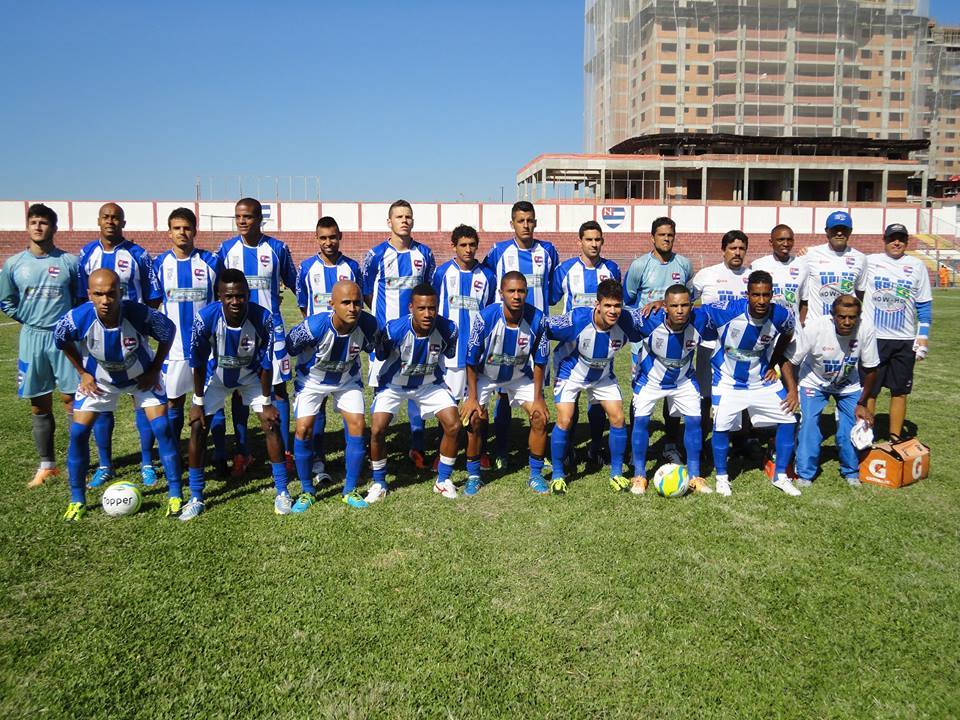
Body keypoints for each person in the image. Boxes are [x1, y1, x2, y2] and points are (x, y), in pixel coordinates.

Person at [54, 269, 181, 521]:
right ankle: (77, 500)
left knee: (163, 428)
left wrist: (155, 369)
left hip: (141, 378)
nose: (105, 300)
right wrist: (82, 372)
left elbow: (169, 331)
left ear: (120, 293)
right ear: (89, 295)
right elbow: (60, 339)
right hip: (99, 381)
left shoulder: (138, 313)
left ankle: (175, 494)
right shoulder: (77, 318)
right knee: (78, 432)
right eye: (98, 294)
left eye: (111, 294)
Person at [183, 270, 287, 519]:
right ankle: (196, 496)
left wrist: (267, 401)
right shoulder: (205, 318)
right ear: (219, 296)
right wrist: (197, 402)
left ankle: (282, 492)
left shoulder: (263, 318)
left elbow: (265, 361)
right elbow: (197, 363)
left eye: (240, 296)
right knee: (198, 425)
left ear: (248, 296)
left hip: (250, 376)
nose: (235, 302)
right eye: (229, 296)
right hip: (217, 377)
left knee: (271, 423)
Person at [76, 202, 162, 488]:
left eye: (116, 218)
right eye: (106, 217)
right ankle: (104, 464)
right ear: (99, 221)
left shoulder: (138, 255)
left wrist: (137, 325)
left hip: (133, 341)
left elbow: (152, 296)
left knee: (143, 400)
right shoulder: (86, 254)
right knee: (101, 402)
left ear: (123, 223)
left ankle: (147, 463)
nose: (111, 221)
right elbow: (80, 297)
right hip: (97, 340)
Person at [215, 198, 297, 477]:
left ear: (260, 218)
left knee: (278, 389)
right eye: (238, 216)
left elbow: (296, 284)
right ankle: (243, 452)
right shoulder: (226, 250)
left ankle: (285, 452)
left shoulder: (276, 249)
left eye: (248, 216)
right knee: (239, 389)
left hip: (271, 330)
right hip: (236, 332)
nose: (242, 221)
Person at [699, 270, 800, 497]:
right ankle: (722, 478)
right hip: (727, 380)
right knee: (722, 425)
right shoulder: (726, 311)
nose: (761, 300)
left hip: (761, 381)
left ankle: (781, 476)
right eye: (756, 295)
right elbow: (692, 312)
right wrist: (663, 303)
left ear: (772, 294)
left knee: (788, 419)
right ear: (748, 294)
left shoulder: (781, 315)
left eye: (766, 295)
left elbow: (787, 335)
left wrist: (773, 364)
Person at [0, 204, 79, 488]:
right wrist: (27, 318)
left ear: (54, 228)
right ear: (27, 226)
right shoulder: (14, 264)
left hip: (64, 339)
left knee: (72, 399)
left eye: (44, 222)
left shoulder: (70, 262)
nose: (38, 227)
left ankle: (76, 459)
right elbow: (6, 300)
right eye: (33, 222)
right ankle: (47, 465)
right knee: (39, 402)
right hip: (32, 338)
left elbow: (78, 299)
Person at [285, 280, 378, 511]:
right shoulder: (314, 326)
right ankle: (307, 490)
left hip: (347, 380)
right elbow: (290, 345)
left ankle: (349, 490)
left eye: (357, 303)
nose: (353, 308)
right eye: (346, 302)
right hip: (312, 382)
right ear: (332, 304)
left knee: (357, 424)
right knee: (303, 429)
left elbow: (375, 346)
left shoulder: (368, 324)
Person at [482, 201, 560, 468]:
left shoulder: (548, 250)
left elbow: (552, 288)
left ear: (535, 222)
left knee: (537, 390)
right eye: (520, 220)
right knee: (503, 390)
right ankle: (501, 450)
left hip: (536, 330)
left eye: (530, 220)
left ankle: (538, 451)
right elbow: (489, 280)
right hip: (508, 332)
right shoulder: (499, 251)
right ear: (512, 223)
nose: (526, 225)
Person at [367, 283, 460, 502]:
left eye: (432, 308)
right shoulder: (393, 329)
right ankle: (379, 482)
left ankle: (443, 480)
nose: (428, 313)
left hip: (429, 384)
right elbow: (381, 356)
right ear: (411, 308)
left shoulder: (449, 329)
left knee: (454, 424)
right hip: (393, 385)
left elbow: (447, 354)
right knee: (378, 429)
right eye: (421, 308)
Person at [459, 272, 550, 495]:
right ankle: (473, 475)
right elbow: (470, 360)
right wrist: (471, 398)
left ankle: (536, 475)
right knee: (474, 419)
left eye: (521, 291)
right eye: (511, 291)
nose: (517, 296)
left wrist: (538, 398)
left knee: (540, 417)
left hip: (519, 376)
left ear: (527, 293)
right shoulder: (485, 318)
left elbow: (540, 361)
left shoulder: (538, 320)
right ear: (501, 293)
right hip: (486, 375)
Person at [361, 200, 436, 467]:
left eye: (408, 216)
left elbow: (428, 290)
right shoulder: (376, 254)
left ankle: (417, 446)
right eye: (399, 216)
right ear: (389, 222)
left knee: (417, 385)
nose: (404, 220)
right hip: (386, 337)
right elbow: (366, 291)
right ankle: (377, 446)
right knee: (382, 391)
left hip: (417, 336)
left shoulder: (424, 254)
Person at [546, 279, 638, 494]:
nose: (613, 311)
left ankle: (616, 473)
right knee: (565, 419)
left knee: (618, 418)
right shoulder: (577, 320)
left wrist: (661, 303)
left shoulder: (627, 320)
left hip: (603, 375)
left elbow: (655, 316)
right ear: (598, 304)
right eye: (608, 305)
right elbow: (543, 326)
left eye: (617, 306)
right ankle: (558, 474)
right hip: (571, 372)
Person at [294, 215, 362, 484]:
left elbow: (359, 301)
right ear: (316, 239)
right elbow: (303, 305)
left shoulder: (352, 266)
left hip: (346, 350)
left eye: (333, 237)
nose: (328, 242)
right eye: (323, 238)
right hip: (316, 350)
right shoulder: (307, 268)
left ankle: (352, 461)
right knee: (315, 408)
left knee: (351, 409)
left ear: (340, 236)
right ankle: (318, 460)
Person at [630, 285, 716, 495]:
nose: (680, 310)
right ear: (665, 307)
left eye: (685, 305)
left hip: (684, 380)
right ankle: (639, 475)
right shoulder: (649, 319)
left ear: (692, 306)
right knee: (641, 421)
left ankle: (695, 476)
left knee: (695, 421)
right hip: (650, 380)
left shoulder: (701, 319)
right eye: (674, 305)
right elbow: (619, 315)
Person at [623, 216, 694, 464]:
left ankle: (671, 444)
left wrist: (664, 304)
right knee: (641, 395)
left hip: (676, 342)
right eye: (662, 235)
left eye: (670, 235)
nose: (666, 239)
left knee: (674, 394)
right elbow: (629, 301)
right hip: (644, 346)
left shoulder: (683, 265)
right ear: (652, 237)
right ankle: (635, 448)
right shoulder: (640, 266)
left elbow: (689, 297)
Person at [152, 208, 219, 469]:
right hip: (175, 349)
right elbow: (153, 305)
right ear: (169, 232)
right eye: (177, 228)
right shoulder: (159, 264)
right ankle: (173, 453)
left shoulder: (211, 262)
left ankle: (218, 452)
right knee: (174, 401)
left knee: (212, 401)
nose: (182, 232)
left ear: (195, 230)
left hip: (208, 348)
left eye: (187, 227)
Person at [789, 295, 879, 487]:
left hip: (848, 385)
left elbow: (871, 369)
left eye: (853, 317)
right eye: (842, 317)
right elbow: (791, 361)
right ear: (832, 316)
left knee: (851, 427)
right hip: (813, 382)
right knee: (810, 426)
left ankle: (851, 471)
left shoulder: (867, 328)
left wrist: (862, 403)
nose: (847, 322)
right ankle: (805, 473)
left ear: (859, 317)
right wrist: (793, 390)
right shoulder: (815, 328)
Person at [552, 220, 621, 466]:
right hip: (574, 346)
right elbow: (552, 298)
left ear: (603, 241)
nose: (593, 244)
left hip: (601, 345)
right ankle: (568, 448)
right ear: (579, 241)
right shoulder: (566, 269)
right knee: (572, 399)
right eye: (588, 239)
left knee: (597, 399)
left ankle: (596, 445)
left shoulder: (612, 268)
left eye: (597, 239)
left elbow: (616, 300)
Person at [859, 223, 932, 441]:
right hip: (875, 338)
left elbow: (924, 305)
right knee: (870, 390)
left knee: (900, 390)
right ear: (885, 240)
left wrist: (923, 336)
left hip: (904, 339)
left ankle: (895, 437)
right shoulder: (870, 262)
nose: (897, 242)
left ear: (907, 242)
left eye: (901, 238)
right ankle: (865, 435)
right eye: (892, 238)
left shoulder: (917, 266)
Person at [691, 230, 750, 425]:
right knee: (705, 393)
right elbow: (685, 299)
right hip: (710, 347)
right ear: (723, 250)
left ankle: (742, 439)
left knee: (741, 392)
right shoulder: (706, 275)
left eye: (741, 248)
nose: (737, 252)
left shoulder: (751, 277)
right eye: (733, 248)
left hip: (742, 348)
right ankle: (703, 435)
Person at [432, 224, 496, 402]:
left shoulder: (488, 276)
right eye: (463, 245)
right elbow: (434, 306)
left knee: (477, 406)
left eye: (472, 244)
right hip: (451, 351)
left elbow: (490, 312)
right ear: (453, 246)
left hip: (478, 350)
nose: (468, 249)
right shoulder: (442, 273)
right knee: (450, 403)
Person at [801, 210, 866, 325]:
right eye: (835, 229)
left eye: (844, 229)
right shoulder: (809, 254)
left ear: (850, 231)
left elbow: (860, 294)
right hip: (816, 325)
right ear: (827, 231)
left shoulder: (860, 258)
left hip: (845, 326)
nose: (839, 233)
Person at [749, 224, 808, 320]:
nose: (786, 243)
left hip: (791, 328)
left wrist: (800, 324)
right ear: (771, 242)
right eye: (781, 240)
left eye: (789, 240)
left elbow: (804, 302)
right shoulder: (757, 265)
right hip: (765, 325)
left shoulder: (802, 266)